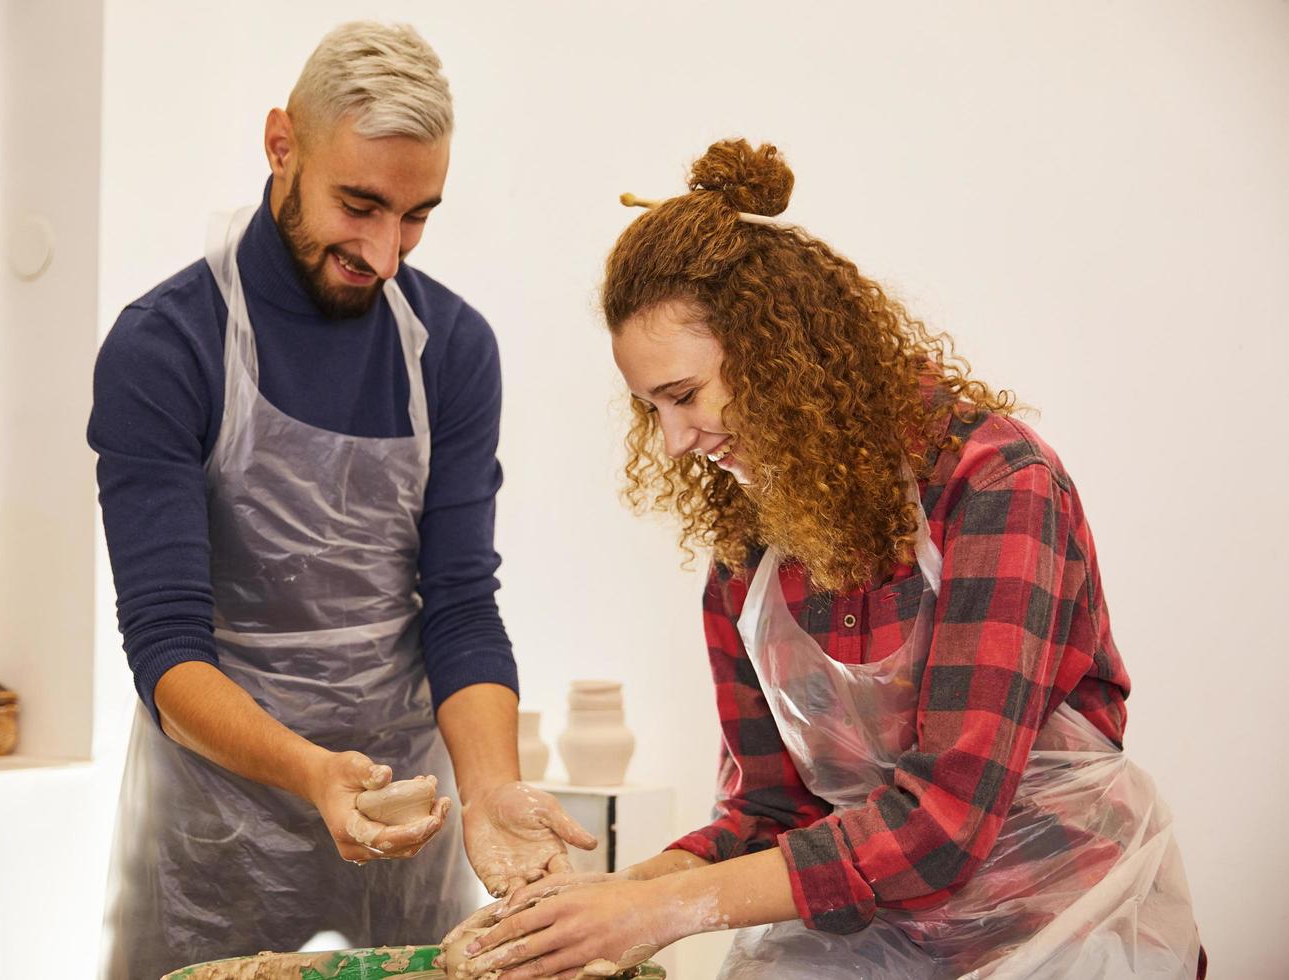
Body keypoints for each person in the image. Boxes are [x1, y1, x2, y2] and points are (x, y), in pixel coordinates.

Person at [452, 140, 1204, 979]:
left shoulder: (995, 487)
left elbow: (942, 826)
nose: (673, 443)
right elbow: (773, 809)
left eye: (684, 397)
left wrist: (654, 911)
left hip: (1064, 920)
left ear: (782, 352)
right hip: (888, 933)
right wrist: (604, 902)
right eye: (650, 410)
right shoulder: (749, 546)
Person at [89, 22, 592, 980]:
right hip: (213, 820)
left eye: (416, 216)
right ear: (282, 145)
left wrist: (488, 792)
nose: (385, 251)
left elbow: (459, 603)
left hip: (406, 803)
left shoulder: (451, 348)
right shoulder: (166, 348)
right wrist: (313, 771)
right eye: (359, 204)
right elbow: (165, 646)